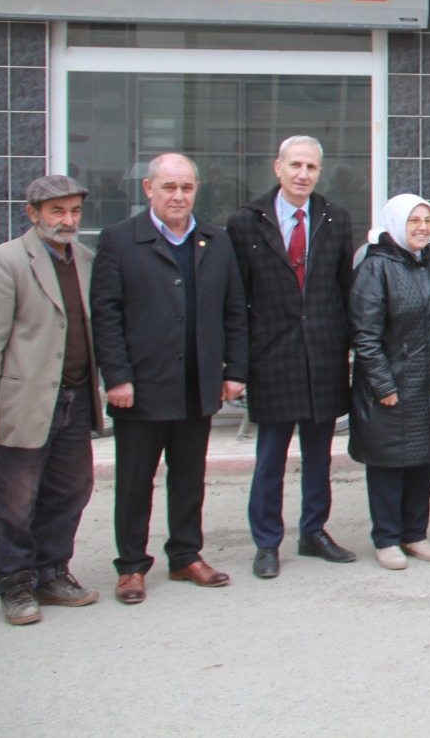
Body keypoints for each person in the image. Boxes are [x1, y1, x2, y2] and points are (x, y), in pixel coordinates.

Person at [90, 153, 249, 604]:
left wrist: (235, 370)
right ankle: (131, 566)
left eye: (186, 187)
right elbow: (105, 314)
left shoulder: (215, 240)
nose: (178, 196)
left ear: (196, 190)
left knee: (189, 479)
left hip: (197, 384)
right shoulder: (119, 240)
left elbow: (234, 310)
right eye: (169, 187)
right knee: (134, 482)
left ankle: (185, 555)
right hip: (140, 387)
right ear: (148, 189)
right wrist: (117, 377)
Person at [0, 176, 104, 625]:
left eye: (74, 211)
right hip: (22, 402)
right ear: (33, 213)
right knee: (15, 500)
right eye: (57, 211)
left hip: (75, 399)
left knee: (71, 490)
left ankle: (51, 573)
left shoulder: (86, 260)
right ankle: (14, 583)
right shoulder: (2, 262)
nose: (68, 220)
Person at [228, 135, 356, 579]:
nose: (303, 174)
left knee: (319, 455)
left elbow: (344, 288)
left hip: (323, 353)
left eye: (312, 167)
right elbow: (236, 298)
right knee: (271, 458)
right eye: (296, 165)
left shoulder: (335, 218)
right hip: (272, 355)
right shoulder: (245, 222)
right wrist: (237, 363)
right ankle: (267, 542)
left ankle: (313, 531)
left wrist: (349, 347)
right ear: (278, 167)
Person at [349, 194, 430, 571]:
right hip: (391, 386)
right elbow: (365, 335)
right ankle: (386, 539)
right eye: (414, 221)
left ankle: (415, 533)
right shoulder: (375, 267)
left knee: (425, 460)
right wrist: (383, 385)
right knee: (389, 464)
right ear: (396, 223)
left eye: (427, 221)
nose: (423, 228)